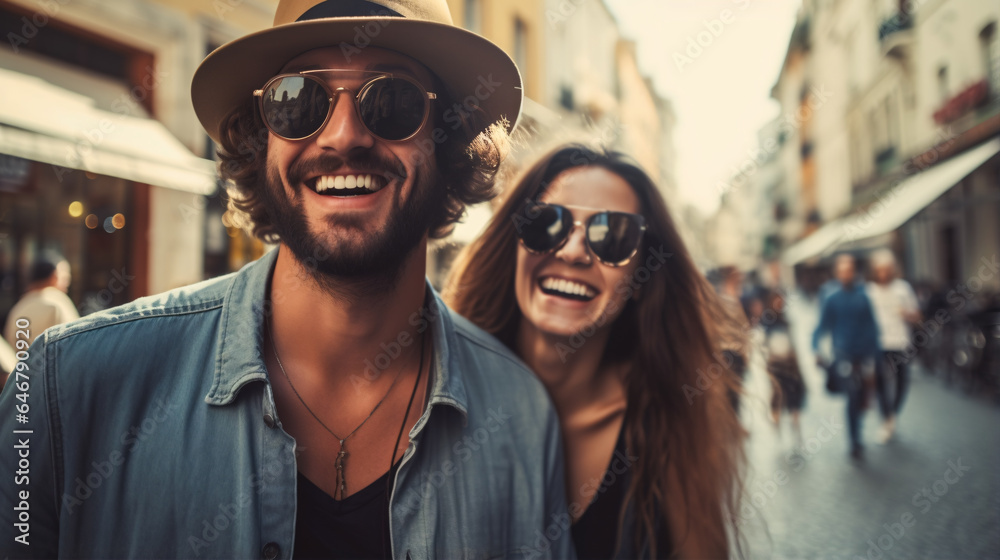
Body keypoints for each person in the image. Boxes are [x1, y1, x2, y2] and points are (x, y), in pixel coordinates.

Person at [0, 1, 574, 558]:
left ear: (446, 142)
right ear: (261, 139)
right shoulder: (65, 387)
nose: (343, 135)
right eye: (297, 100)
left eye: (393, 101)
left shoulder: (521, 418)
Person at [446, 145, 747, 559]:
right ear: (514, 245)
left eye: (613, 236)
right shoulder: (440, 395)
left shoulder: (666, 418)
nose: (572, 252)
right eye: (546, 223)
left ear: (641, 276)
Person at [812, 254, 880, 460]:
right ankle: (854, 440)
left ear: (854, 271)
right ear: (837, 273)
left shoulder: (863, 296)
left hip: (864, 354)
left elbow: (872, 326)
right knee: (852, 395)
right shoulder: (832, 298)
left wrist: (875, 355)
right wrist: (816, 348)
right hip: (843, 354)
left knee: (862, 397)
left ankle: (857, 426)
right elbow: (821, 326)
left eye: (849, 270)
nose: (845, 274)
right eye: (842, 271)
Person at [866, 249, 921, 443]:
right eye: (880, 270)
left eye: (887, 269)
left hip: (900, 342)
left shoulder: (903, 288)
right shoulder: (869, 291)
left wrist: (907, 314)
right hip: (879, 343)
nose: (883, 274)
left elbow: (917, 316)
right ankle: (887, 417)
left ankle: (892, 413)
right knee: (881, 382)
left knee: (902, 382)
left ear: (892, 269)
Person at [2, 252, 79, 347]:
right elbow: (74, 344)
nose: (67, 283)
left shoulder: (18, 307)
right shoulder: (57, 303)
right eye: (65, 278)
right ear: (54, 277)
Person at [763, 290, 805, 447]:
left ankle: (796, 429)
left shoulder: (786, 321)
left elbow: (792, 344)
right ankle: (777, 426)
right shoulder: (767, 322)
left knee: (794, 397)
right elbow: (764, 345)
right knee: (777, 397)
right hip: (776, 366)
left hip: (789, 365)